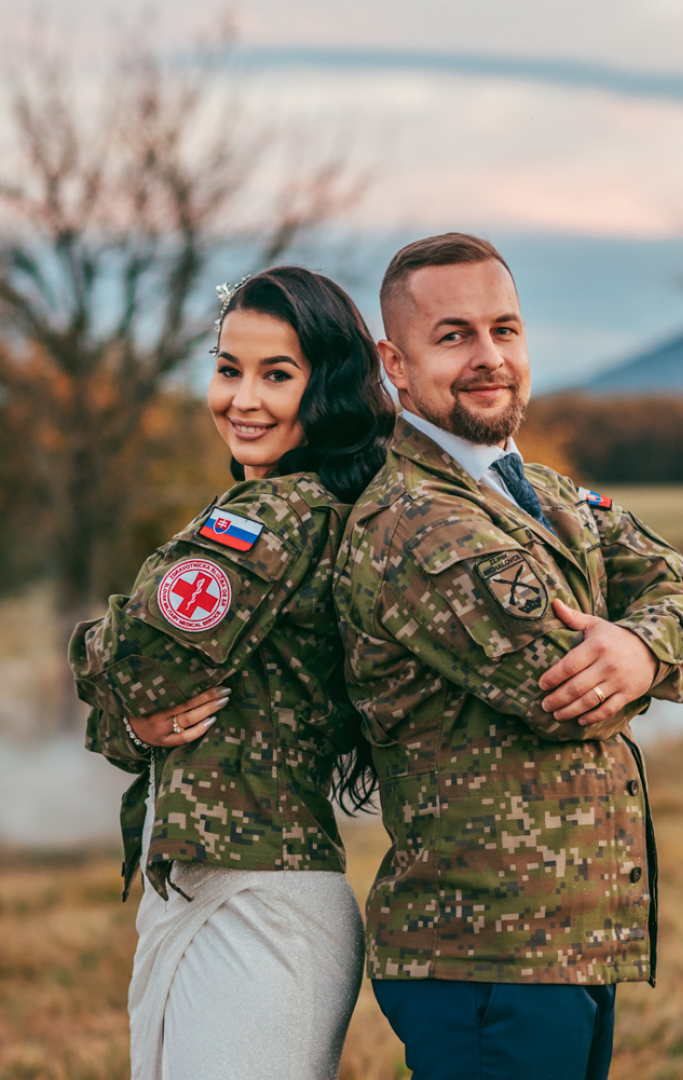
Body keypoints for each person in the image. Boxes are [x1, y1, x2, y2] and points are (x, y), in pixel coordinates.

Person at [334, 233, 683, 1080]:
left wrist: (641, 648)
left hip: (564, 943)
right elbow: (565, 694)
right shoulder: (417, 520)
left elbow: (680, 597)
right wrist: (641, 658)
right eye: (453, 336)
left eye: (503, 329)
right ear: (395, 365)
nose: (488, 356)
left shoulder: (542, 491)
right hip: (485, 958)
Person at [69, 266, 396, 1080]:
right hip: (223, 887)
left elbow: (139, 665)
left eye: (276, 375)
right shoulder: (292, 505)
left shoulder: (271, 518)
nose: (242, 400)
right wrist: (132, 724)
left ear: (328, 387)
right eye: (227, 369)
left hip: (258, 904)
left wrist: (105, 669)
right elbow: (143, 707)